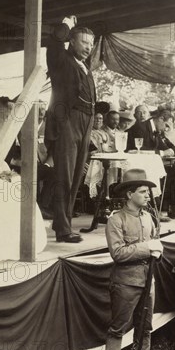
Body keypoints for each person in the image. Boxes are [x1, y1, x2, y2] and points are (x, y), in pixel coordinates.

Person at [100, 169, 168, 350]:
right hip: (125, 283)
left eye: (148, 191)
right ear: (129, 194)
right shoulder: (115, 220)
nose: (148, 195)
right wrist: (147, 248)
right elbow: (118, 253)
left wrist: (157, 250)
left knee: (145, 327)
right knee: (118, 328)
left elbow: (153, 244)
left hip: (148, 281)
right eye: (143, 191)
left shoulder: (148, 217)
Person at [45, 15, 96, 243]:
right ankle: (63, 230)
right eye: (84, 42)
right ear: (72, 42)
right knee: (64, 177)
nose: (88, 48)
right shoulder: (60, 58)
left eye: (91, 44)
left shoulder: (85, 66)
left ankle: (63, 223)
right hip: (67, 121)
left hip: (86, 121)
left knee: (76, 176)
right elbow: (54, 41)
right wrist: (66, 25)